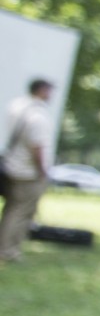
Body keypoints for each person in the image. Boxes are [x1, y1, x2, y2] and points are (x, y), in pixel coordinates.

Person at [1, 78, 55, 264]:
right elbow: (37, 148)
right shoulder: (37, 116)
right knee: (21, 213)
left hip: (10, 166)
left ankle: (5, 247)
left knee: (11, 211)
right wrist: (42, 171)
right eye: (49, 91)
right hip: (27, 172)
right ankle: (9, 251)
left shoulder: (16, 106)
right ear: (41, 90)